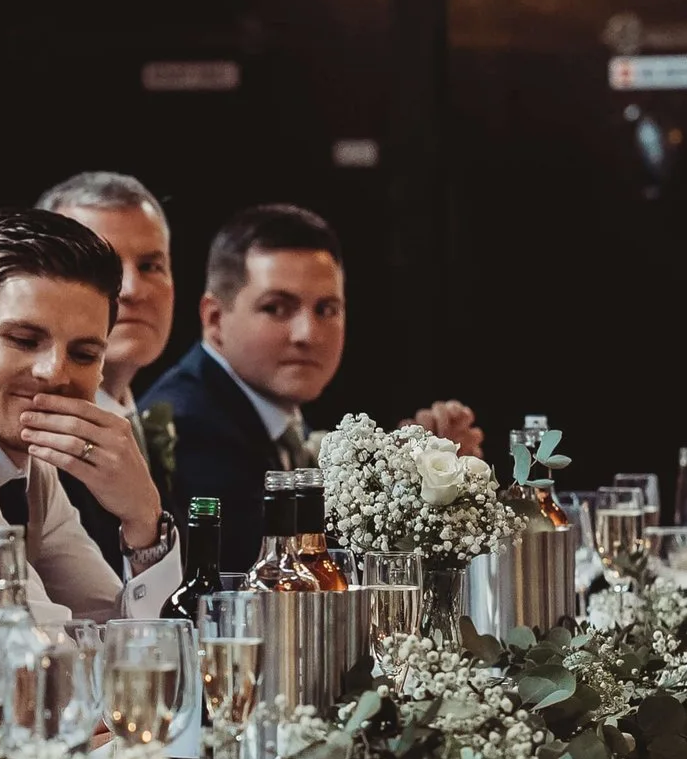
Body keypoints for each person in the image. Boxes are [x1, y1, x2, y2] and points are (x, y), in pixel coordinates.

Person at [140, 203, 484, 573]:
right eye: (276, 308)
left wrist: (418, 471)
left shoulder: (272, 410)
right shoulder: (190, 422)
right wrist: (407, 482)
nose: (308, 334)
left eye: (326, 309)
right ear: (214, 319)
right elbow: (280, 571)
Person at [0, 209, 180, 621]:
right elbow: (39, 644)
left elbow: (122, 629)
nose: (55, 372)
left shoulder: (35, 468)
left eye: (84, 354)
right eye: (24, 340)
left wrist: (144, 516)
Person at [37, 166, 181, 541]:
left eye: (151, 266)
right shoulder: (34, 442)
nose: (133, 289)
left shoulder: (147, 420)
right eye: (106, 267)